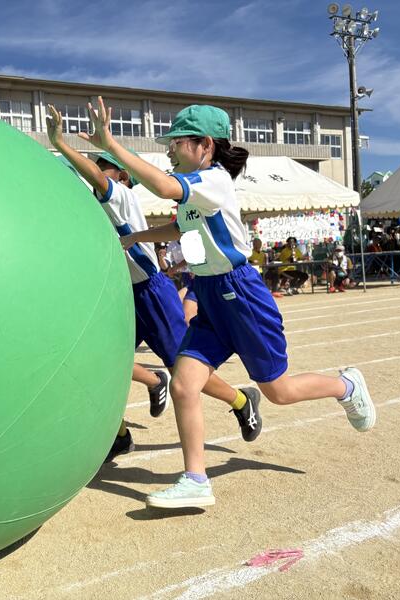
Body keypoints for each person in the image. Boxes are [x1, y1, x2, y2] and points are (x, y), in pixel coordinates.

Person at [80, 98, 375, 508]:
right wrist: (135, 238)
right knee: (183, 384)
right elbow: (179, 227)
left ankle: (347, 385)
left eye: (176, 142)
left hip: (243, 295)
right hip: (210, 294)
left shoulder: (214, 180)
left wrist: (112, 145)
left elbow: (163, 187)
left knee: (278, 391)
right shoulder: (195, 190)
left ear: (205, 145)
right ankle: (196, 479)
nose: (169, 150)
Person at [45, 104, 262, 464]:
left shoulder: (119, 194)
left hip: (152, 291)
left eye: (103, 166)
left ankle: (241, 400)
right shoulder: (93, 205)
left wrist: (61, 143)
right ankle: (122, 430)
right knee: (100, 363)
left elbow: (99, 178)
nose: (95, 171)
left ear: (122, 175)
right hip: (124, 293)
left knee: (183, 368)